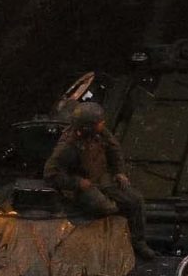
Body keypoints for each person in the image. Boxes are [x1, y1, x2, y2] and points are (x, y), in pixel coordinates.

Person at [45, 101, 153, 257]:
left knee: (135, 200)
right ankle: (104, 241)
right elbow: (50, 174)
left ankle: (138, 242)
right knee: (107, 208)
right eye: (99, 123)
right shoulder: (67, 147)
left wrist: (118, 172)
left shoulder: (99, 133)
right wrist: (77, 183)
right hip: (81, 188)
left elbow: (114, 149)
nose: (103, 125)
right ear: (87, 127)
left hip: (101, 180)